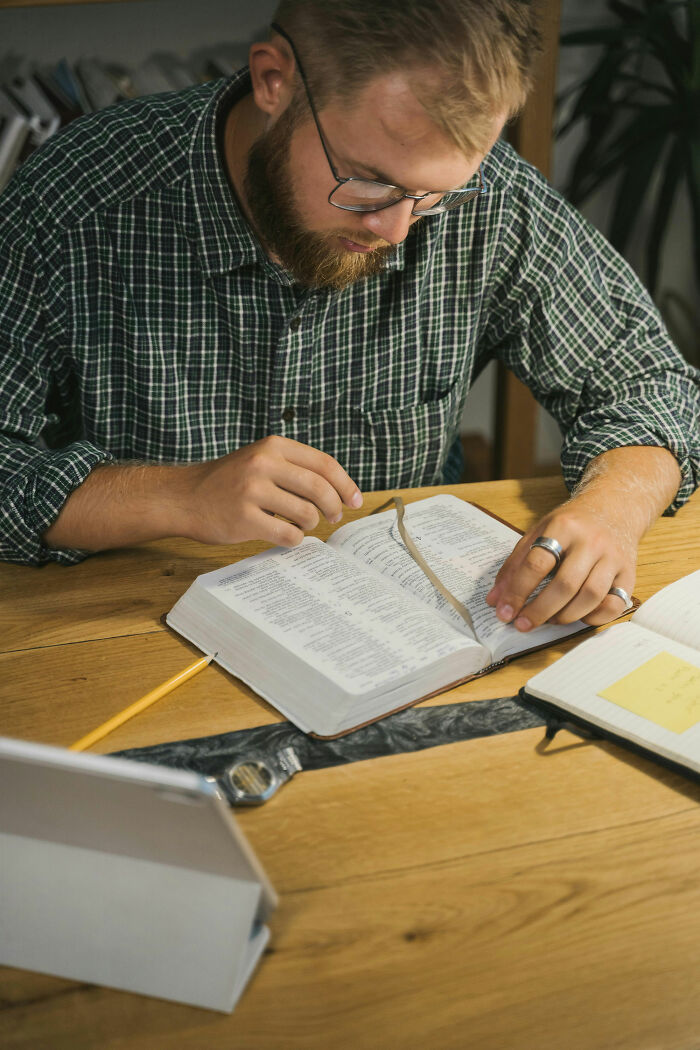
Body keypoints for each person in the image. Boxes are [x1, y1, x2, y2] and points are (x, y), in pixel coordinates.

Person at [0, 0, 697, 640]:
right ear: (273, 81)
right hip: (125, 629)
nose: (396, 231)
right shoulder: (79, 204)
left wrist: (610, 509)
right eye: (367, 180)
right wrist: (179, 495)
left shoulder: (490, 200)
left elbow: (649, 383)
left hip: (396, 635)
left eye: (434, 197)